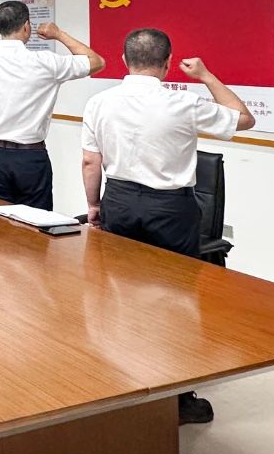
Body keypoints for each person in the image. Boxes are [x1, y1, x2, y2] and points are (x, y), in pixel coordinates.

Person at [81, 29, 254, 424]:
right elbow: (244, 119)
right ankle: (177, 399)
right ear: (168, 62)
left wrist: (94, 206)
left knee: (120, 294)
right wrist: (206, 75)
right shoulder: (182, 103)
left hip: (119, 200)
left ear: (124, 61)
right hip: (171, 208)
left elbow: (91, 161)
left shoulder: (100, 102)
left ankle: (127, 384)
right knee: (176, 303)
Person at [0, 1, 103, 211]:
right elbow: (96, 62)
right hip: (31, 157)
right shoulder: (47, 62)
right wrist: (58, 34)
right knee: (36, 221)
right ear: (26, 26)